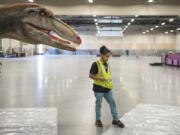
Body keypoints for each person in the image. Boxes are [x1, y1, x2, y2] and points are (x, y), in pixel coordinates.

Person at [89, 45, 125, 128]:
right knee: (98, 104)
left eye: (109, 56)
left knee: (113, 103)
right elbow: (90, 75)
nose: (108, 58)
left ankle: (115, 120)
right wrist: (99, 78)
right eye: (107, 56)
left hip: (107, 88)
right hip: (98, 88)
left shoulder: (107, 63)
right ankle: (98, 120)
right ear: (102, 55)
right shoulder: (95, 64)